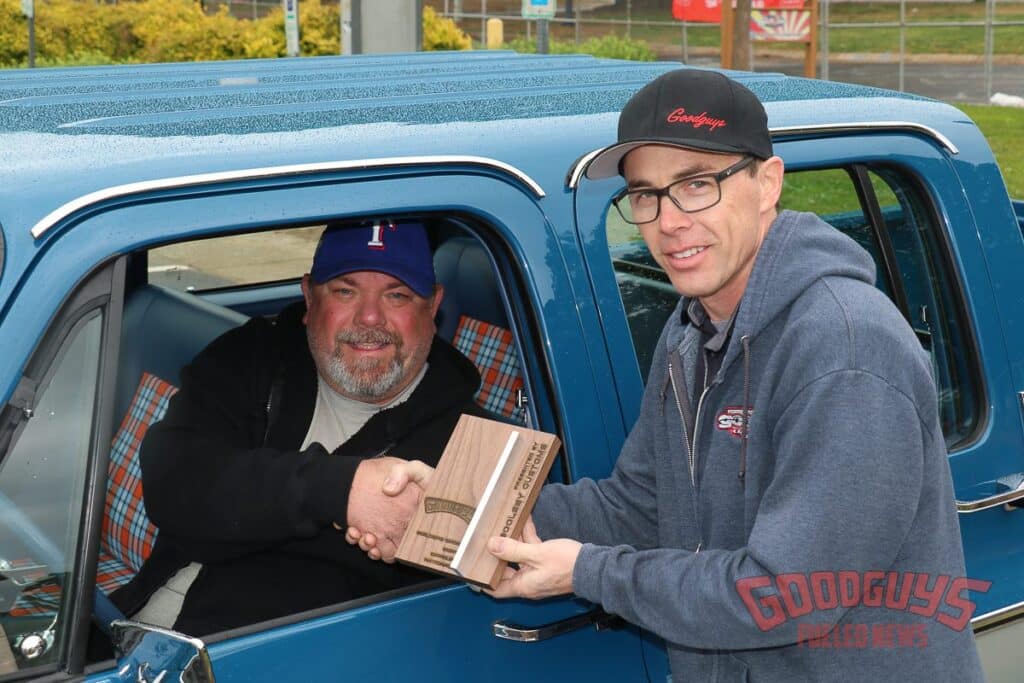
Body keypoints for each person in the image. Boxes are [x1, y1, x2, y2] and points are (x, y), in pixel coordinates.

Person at [359, 70, 985, 681]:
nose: (668, 220)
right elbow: (640, 507)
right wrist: (451, 503)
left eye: (696, 184)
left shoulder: (845, 351)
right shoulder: (689, 333)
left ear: (768, 184)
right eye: (645, 195)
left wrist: (588, 573)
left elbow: (787, 596)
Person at [110, 219, 488, 636]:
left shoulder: (469, 447)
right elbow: (171, 480)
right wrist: (339, 491)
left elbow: (431, 623)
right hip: (133, 624)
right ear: (309, 297)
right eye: (346, 290)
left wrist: (251, 494)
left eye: (397, 295)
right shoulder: (253, 356)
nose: (369, 316)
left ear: (432, 307)